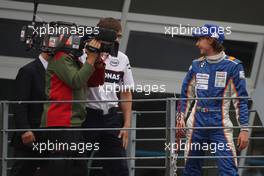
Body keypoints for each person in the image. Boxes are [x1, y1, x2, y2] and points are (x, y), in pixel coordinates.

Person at [176, 24, 249, 176]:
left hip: (220, 126)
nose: (197, 44)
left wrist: (244, 129)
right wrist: (180, 118)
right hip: (196, 124)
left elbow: (241, 100)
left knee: (228, 170)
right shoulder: (196, 65)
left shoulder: (234, 66)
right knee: (190, 170)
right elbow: (185, 95)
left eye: (200, 39)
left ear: (210, 40)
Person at [81, 17, 134, 176]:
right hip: (87, 116)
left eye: (119, 37)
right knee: (79, 164)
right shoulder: (83, 54)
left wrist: (126, 125)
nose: (118, 40)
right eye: (116, 36)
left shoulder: (122, 58)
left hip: (111, 117)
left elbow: (126, 92)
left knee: (119, 169)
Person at [40, 39, 101, 176]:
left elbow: (95, 81)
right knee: (60, 168)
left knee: (78, 168)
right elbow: (76, 81)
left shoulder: (73, 59)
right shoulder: (61, 57)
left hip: (73, 123)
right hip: (60, 122)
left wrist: (96, 60)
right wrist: (90, 59)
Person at [11, 52, 49, 176]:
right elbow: (19, 103)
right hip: (30, 136)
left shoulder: (58, 72)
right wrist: (24, 130)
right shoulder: (28, 70)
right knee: (23, 171)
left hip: (49, 135)